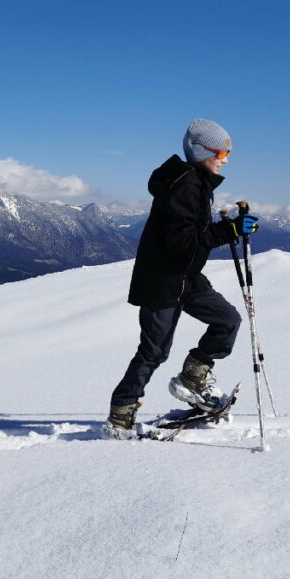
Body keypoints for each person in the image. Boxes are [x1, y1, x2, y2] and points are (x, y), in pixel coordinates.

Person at [103, 118, 259, 439]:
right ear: (201, 151)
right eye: (220, 152)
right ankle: (120, 415)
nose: (225, 159)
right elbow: (183, 242)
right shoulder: (186, 186)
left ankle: (192, 377)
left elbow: (191, 238)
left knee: (227, 320)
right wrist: (229, 230)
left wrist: (229, 229)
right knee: (154, 351)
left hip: (186, 277)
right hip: (162, 279)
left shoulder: (195, 182)